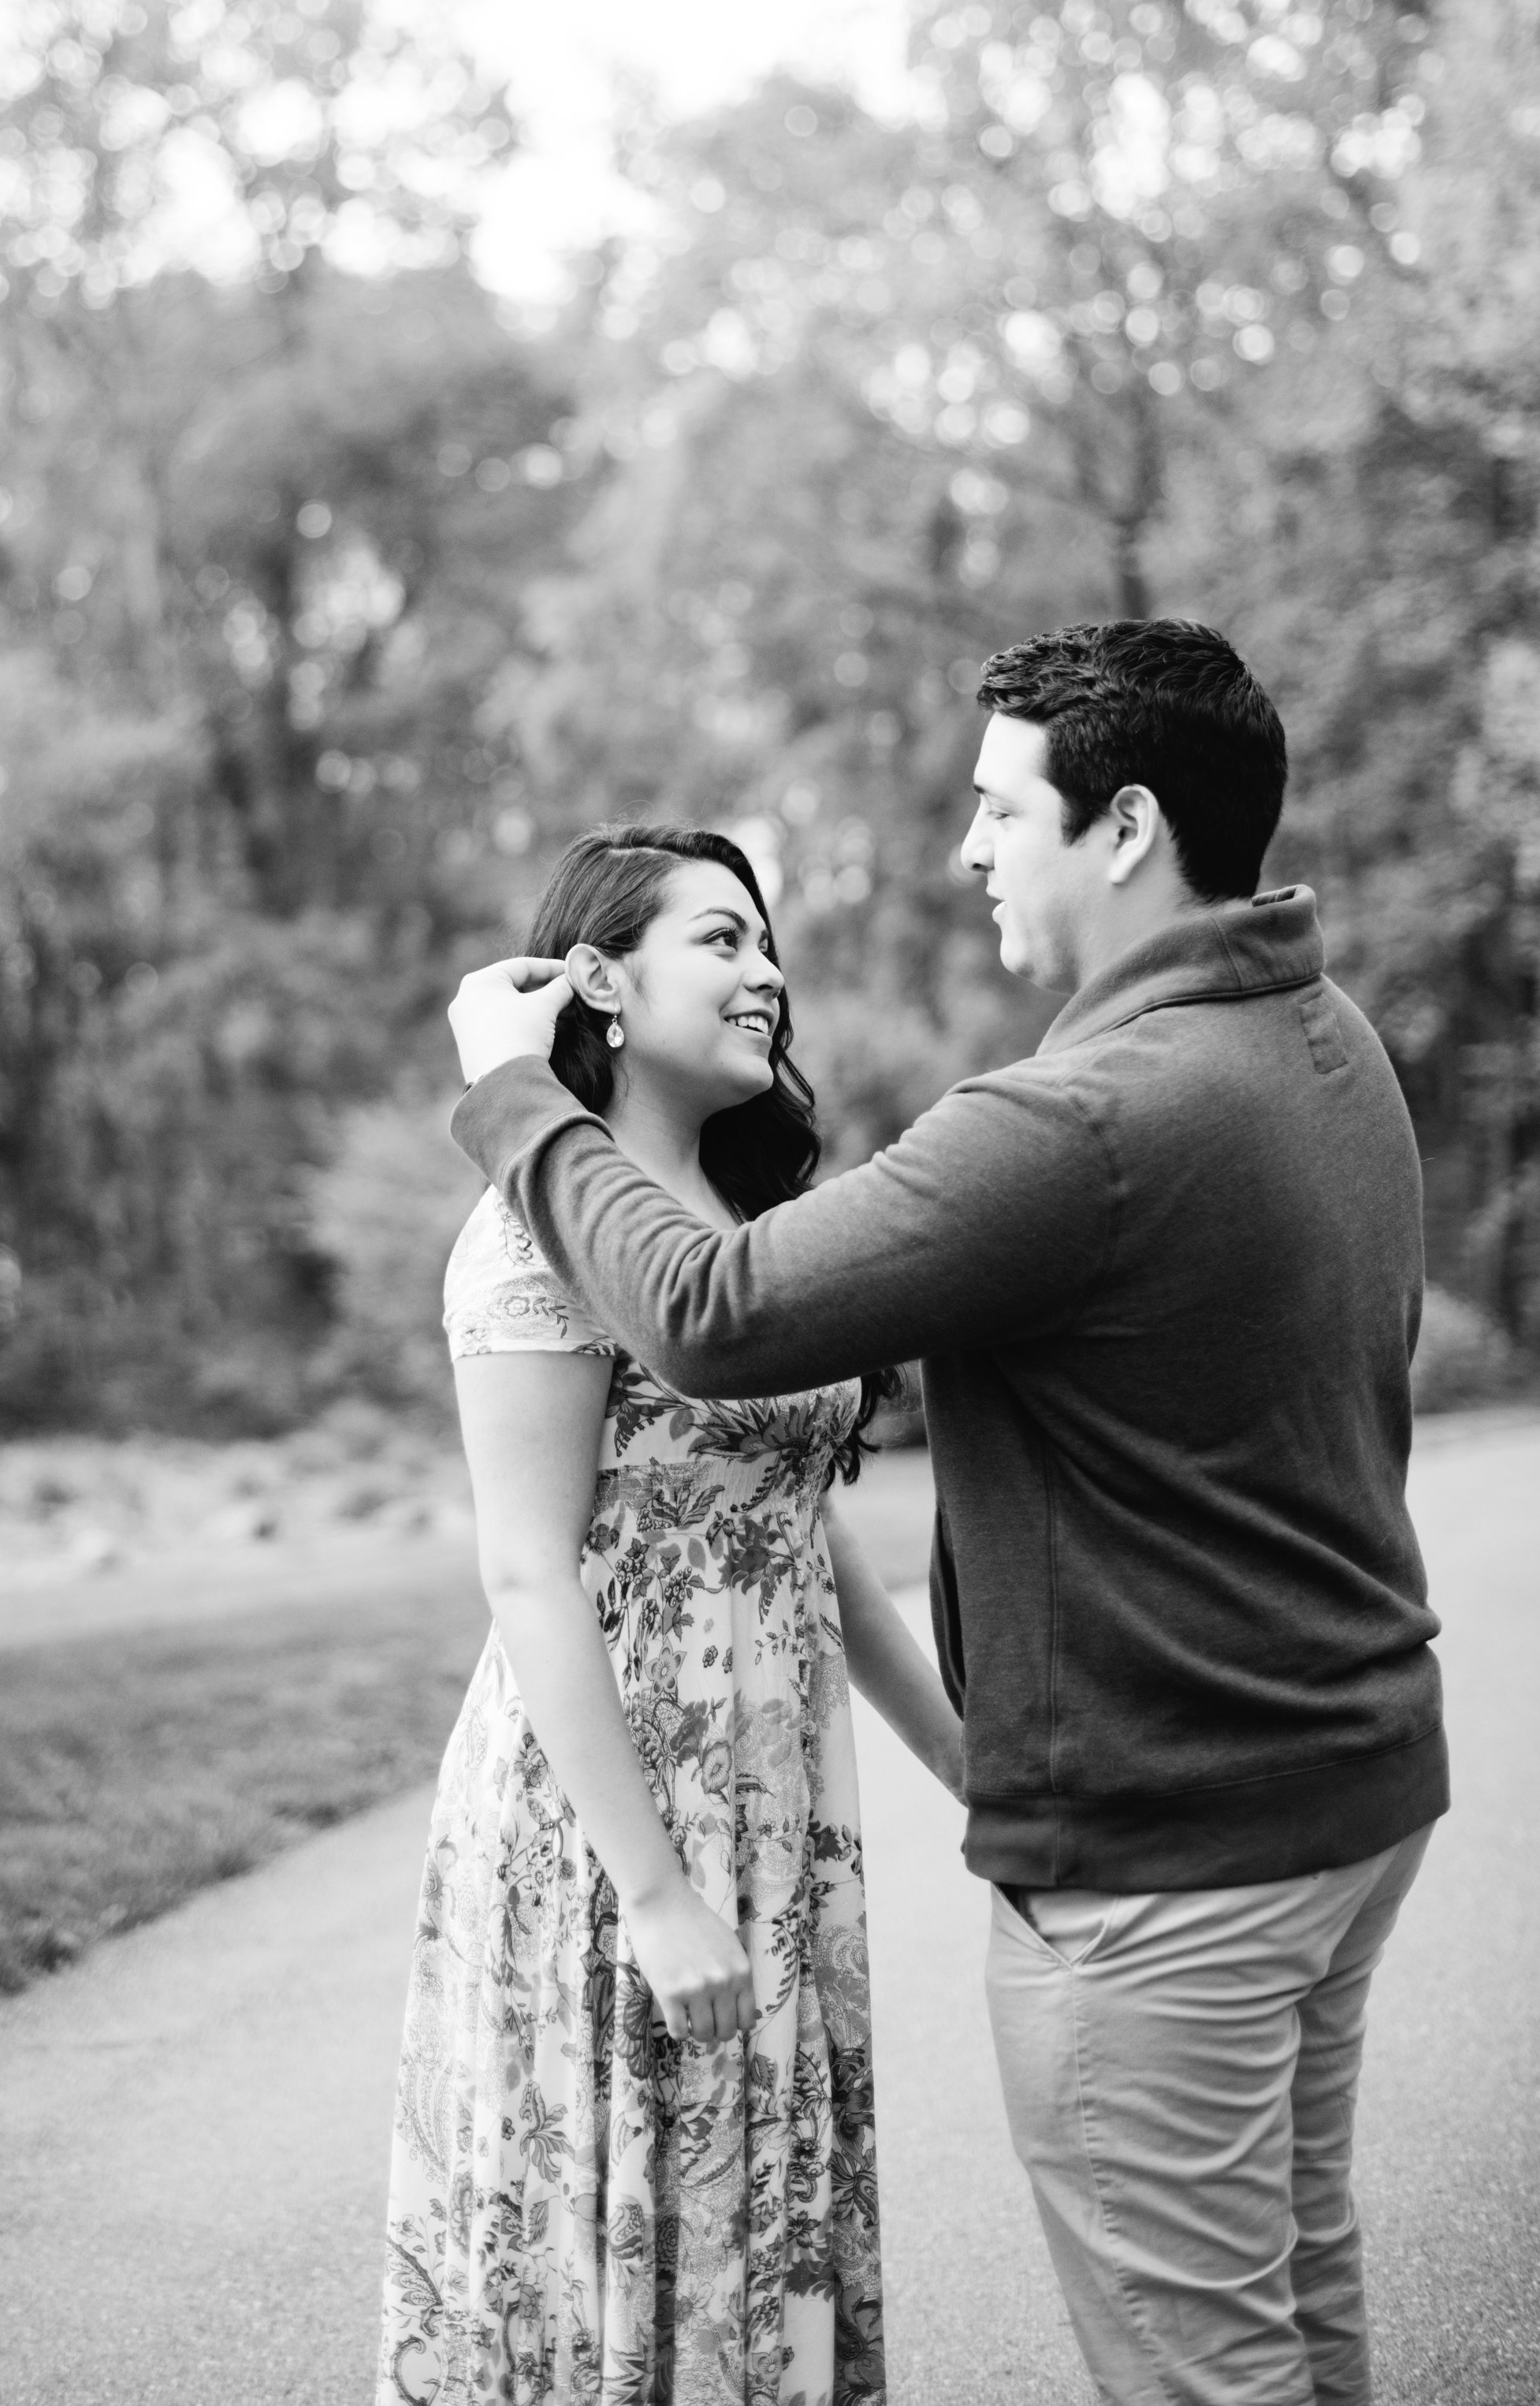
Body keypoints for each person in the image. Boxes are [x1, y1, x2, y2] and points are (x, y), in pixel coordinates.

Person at [445, 624, 1446, 2406]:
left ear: (1122, 825)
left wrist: (512, 1095)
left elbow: (715, 1317)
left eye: (998, 810)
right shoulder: (1324, 1036)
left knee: (1204, 2367)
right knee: (1292, 2315)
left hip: (1170, 1856)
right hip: (1337, 1791)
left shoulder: (1081, 1120)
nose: (966, 850)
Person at [377, 823, 965, 2406]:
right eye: (718, 937)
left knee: (752, 2232)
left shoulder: (745, 1235)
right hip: (607, 1819)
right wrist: (648, 1888)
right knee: (625, 2231)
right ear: (599, 984)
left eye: (765, 939)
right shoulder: (528, 1231)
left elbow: (798, 1529)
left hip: (777, 1812)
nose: (764, 968)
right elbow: (524, 1572)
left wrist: (963, 1764)